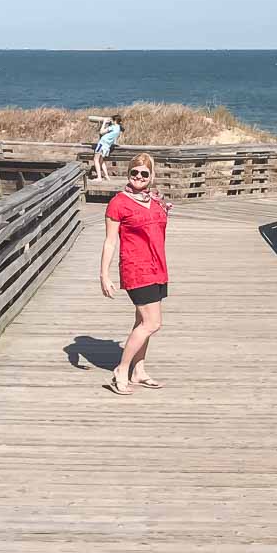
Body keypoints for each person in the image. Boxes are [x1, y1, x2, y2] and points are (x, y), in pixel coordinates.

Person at [99, 152, 170, 395]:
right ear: (128, 173)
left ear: (151, 176)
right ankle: (121, 370)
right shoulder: (119, 203)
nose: (139, 177)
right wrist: (104, 274)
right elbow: (110, 241)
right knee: (153, 323)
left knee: (142, 321)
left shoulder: (156, 200)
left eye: (144, 173)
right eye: (134, 172)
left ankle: (138, 371)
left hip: (158, 267)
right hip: (136, 269)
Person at [92, 115, 122, 180]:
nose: (111, 121)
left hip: (102, 144)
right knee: (101, 161)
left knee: (96, 159)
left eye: (112, 120)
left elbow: (101, 132)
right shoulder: (119, 128)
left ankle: (99, 177)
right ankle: (106, 176)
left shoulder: (113, 127)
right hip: (107, 146)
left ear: (115, 121)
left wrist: (104, 122)